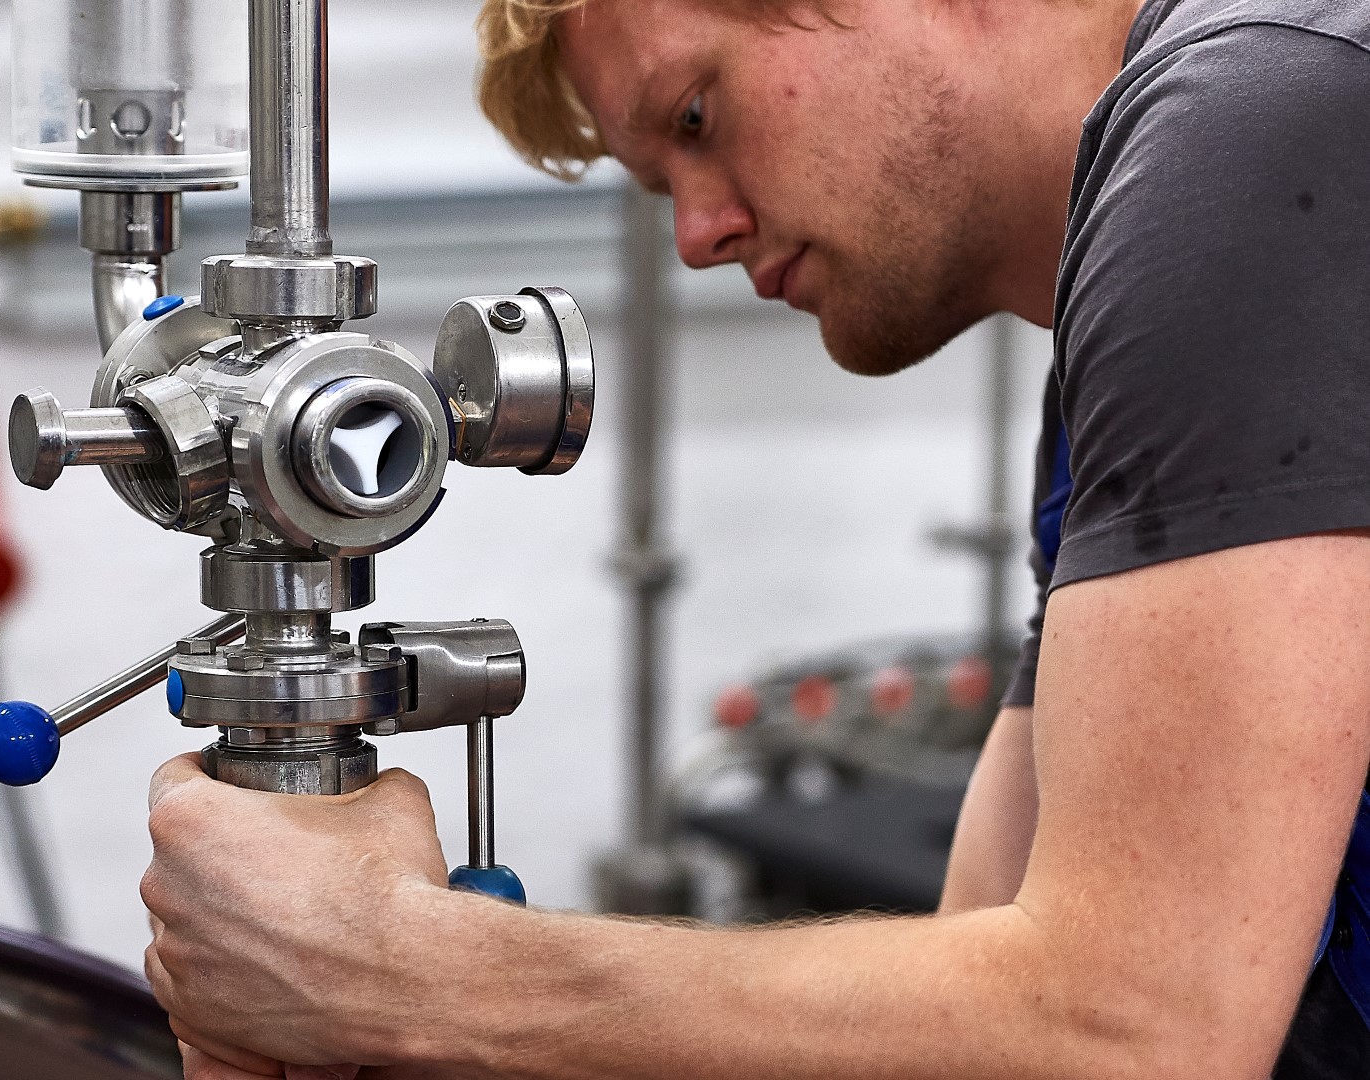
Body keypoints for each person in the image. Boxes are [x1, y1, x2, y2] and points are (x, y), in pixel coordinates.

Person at [139, 0, 1370, 1075]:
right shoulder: (1120, 342)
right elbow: (991, 976)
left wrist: (407, 971)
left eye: (693, 119)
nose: (696, 237)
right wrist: (436, 1016)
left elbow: (1132, 1028)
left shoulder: (1251, 119)